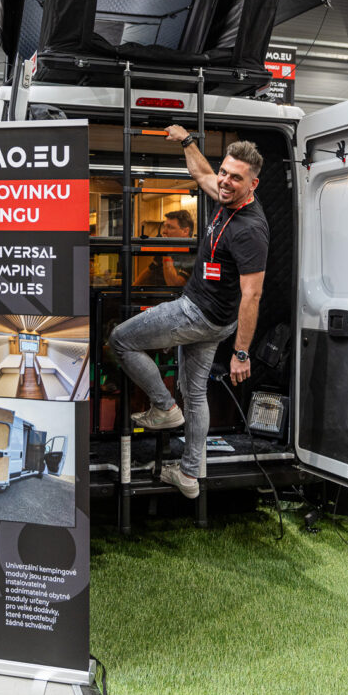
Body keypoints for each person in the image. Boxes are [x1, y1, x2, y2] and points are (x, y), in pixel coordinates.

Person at [109, 130, 269, 498]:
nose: (224, 181)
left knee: (121, 340)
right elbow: (201, 173)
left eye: (235, 177)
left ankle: (163, 407)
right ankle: (189, 474)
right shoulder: (227, 196)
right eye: (224, 172)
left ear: (253, 184)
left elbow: (253, 295)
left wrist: (241, 352)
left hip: (198, 314)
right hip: (213, 320)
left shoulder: (250, 230)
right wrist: (186, 140)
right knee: (195, 394)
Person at [135, 209, 194, 287]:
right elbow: (149, 271)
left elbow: (174, 285)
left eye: (170, 227)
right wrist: (133, 288)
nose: (164, 231)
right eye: (164, 227)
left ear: (185, 231)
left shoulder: (193, 254)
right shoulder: (170, 249)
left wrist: (166, 250)